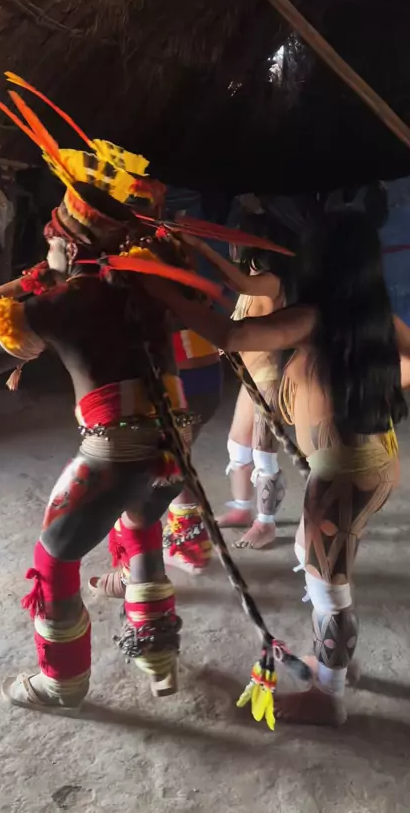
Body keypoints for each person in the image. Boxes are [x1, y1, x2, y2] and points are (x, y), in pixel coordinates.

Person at [0, 78, 203, 711]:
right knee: (142, 526)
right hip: (176, 444)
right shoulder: (146, 285)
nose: (46, 242)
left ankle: (64, 682)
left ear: (65, 242)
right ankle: (159, 661)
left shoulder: (54, 306)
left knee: (53, 563)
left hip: (115, 452)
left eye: (52, 235)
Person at [140, 209, 410, 725]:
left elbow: (228, 335)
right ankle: (336, 665)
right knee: (322, 567)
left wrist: (162, 290)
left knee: (328, 588)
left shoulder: (314, 316)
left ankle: (327, 697)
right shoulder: (373, 317)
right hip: (376, 460)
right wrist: (367, 381)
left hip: (342, 473)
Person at [218, 246, 298, 548]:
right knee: (238, 448)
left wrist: (197, 248)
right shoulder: (252, 280)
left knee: (264, 454)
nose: (232, 247)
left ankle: (266, 524)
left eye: (235, 241)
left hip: (269, 378)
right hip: (250, 377)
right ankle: (241, 508)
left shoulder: (270, 281)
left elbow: (238, 282)